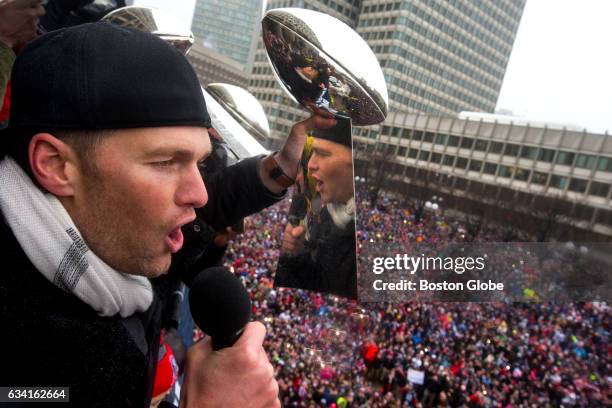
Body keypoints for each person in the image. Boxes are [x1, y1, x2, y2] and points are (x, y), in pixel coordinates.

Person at [0, 22, 333, 407]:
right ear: (56, 165)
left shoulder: (106, 232)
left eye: (199, 162)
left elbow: (207, 206)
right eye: (165, 161)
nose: (198, 192)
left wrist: (280, 168)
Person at [276, 118, 357, 298]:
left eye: (323, 153)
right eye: (312, 153)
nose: (311, 164)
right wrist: (293, 255)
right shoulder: (323, 217)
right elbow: (318, 282)